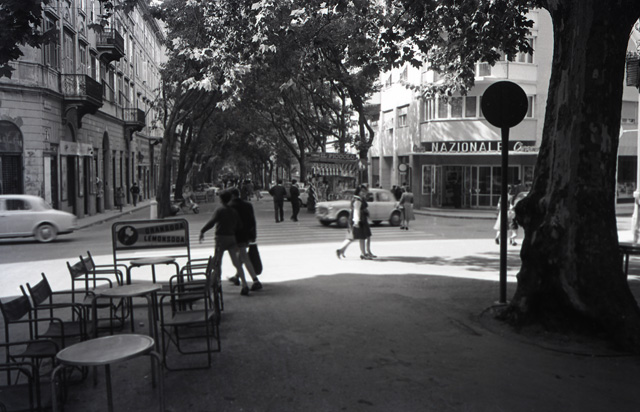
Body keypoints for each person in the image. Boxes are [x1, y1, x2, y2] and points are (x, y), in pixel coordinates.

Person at [199, 189, 251, 295]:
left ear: (221, 199)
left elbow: (212, 222)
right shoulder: (233, 211)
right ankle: (244, 284)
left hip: (221, 238)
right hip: (231, 238)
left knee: (218, 262)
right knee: (236, 263)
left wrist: (202, 231)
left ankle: (217, 284)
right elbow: (240, 225)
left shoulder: (220, 210)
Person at [227, 187, 262, 291]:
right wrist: (253, 235)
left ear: (231, 196)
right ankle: (237, 277)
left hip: (235, 235)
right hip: (246, 234)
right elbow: (252, 221)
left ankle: (255, 280)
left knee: (243, 257)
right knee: (242, 256)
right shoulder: (248, 205)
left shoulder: (230, 206)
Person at [352, 184, 376, 259]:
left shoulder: (362, 198)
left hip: (364, 219)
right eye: (361, 191)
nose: (363, 192)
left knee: (368, 236)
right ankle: (363, 253)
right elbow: (356, 211)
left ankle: (368, 252)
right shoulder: (357, 200)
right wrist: (356, 221)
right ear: (358, 191)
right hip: (360, 220)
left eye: (364, 191)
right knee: (362, 237)